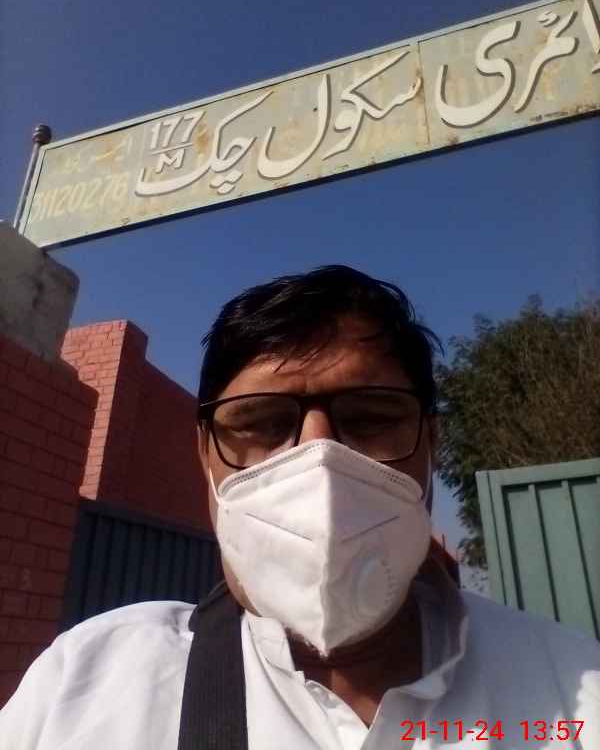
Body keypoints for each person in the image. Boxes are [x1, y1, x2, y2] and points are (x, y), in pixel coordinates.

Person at [1, 265, 599, 749]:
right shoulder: (81, 688)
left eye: (371, 418)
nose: (320, 460)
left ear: (431, 444)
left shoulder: (576, 690)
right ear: (206, 455)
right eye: (262, 423)